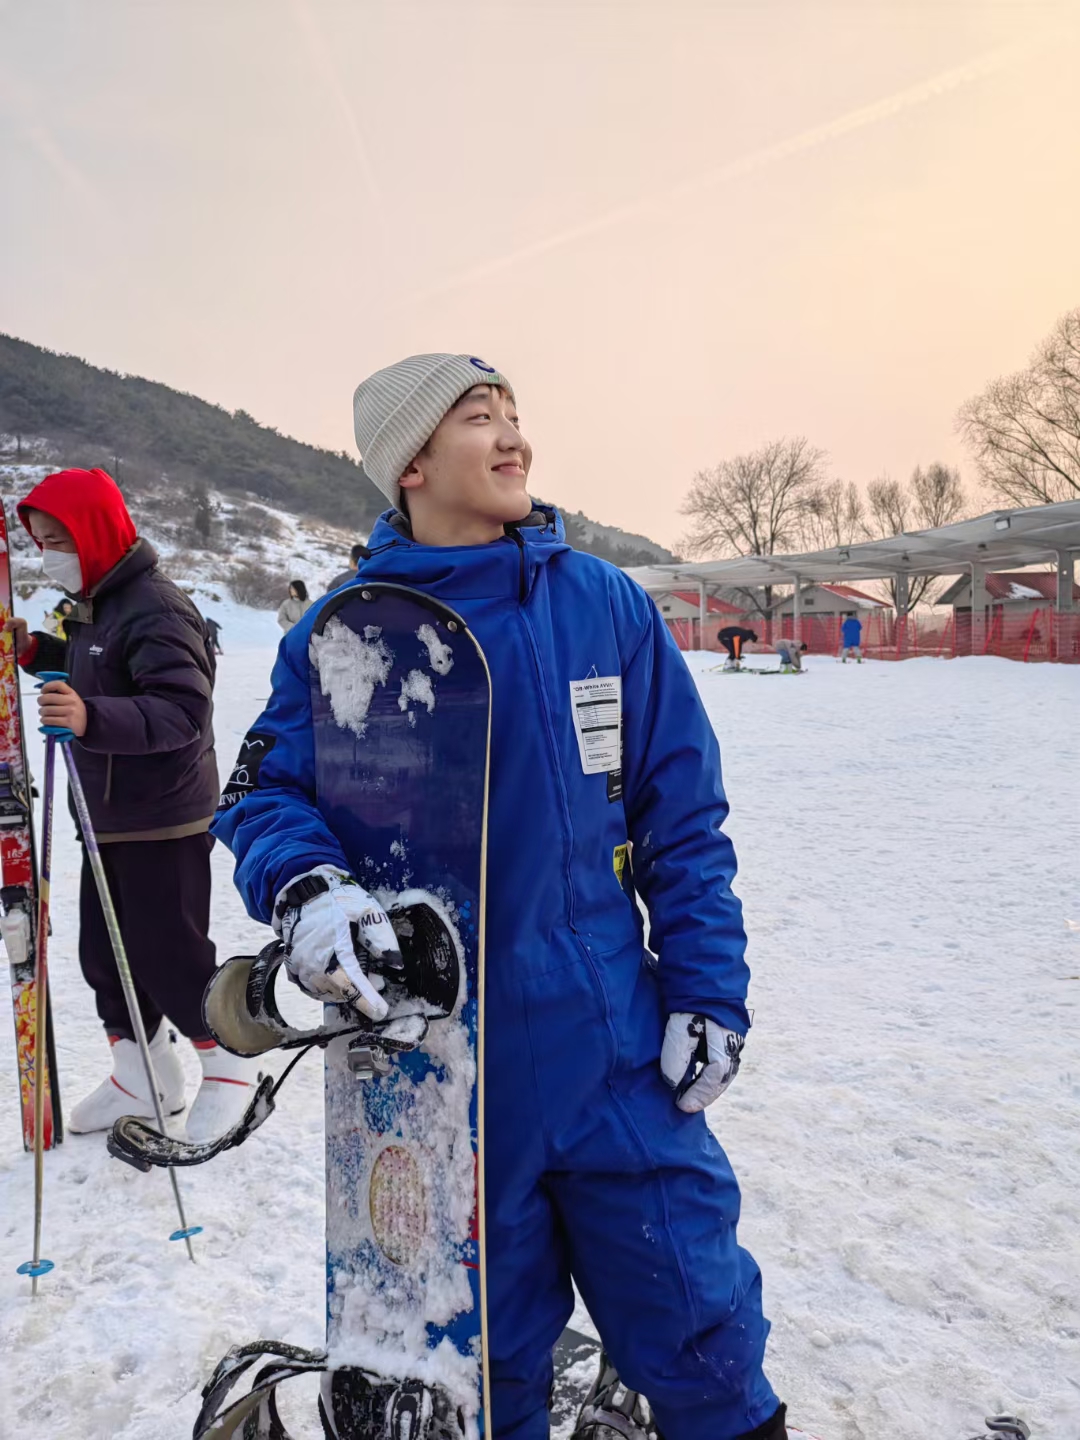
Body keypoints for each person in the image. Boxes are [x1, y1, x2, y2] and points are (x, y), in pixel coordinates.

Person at [213, 354, 784, 1440]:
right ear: (413, 463)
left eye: (516, 413)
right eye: (480, 416)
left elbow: (682, 816)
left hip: (611, 1044)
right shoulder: (347, 631)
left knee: (698, 1321)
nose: (514, 434)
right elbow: (259, 791)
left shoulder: (600, 604)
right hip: (436, 1069)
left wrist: (709, 989)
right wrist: (310, 889)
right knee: (480, 1364)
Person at [5, 466, 258, 1141]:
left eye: (59, 539)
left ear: (94, 532)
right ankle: (141, 1073)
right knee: (106, 954)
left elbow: (181, 711)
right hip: (109, 814)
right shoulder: (96, 604)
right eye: (40, 542)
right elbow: (96, 666)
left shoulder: (155, 607)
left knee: (167, 951)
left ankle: (230, 1064)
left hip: (161, 816)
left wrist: (90, 717)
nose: (48, 555)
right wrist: (37, 651)